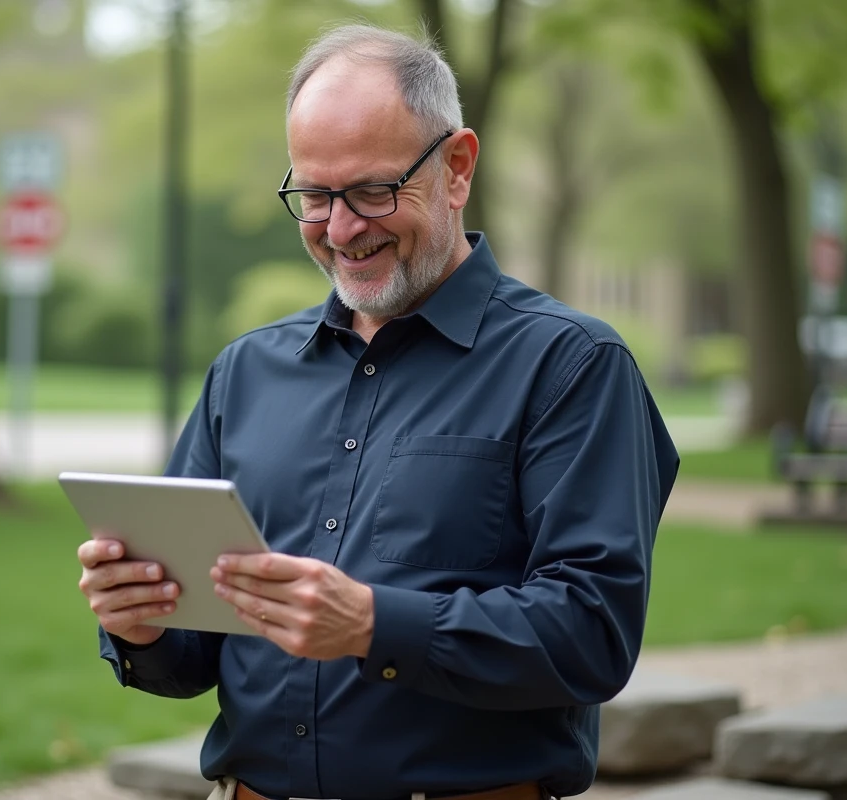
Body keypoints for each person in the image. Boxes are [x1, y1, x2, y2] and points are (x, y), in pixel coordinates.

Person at [77, 23, 679, 800]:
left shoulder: (572, 366)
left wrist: (372, 626)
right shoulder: (245, 372)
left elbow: (593, 633)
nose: (340, 229)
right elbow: (193, 653)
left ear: (457, 168)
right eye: (314, 196)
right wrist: (142, 625)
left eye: (371, 191)